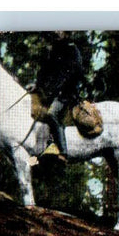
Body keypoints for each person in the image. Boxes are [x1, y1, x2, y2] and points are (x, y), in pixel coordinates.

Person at [34, 31, 85, 162]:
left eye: (60, 30)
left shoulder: (72, 51)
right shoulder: (56, 50)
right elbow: (45, 70)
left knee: (52, 114)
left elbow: (73, 74)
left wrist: (57, 89)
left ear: (66, 34)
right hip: (54, 92)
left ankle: (62, 151)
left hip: (67, 93)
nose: (57, 32)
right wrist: (37, 85)